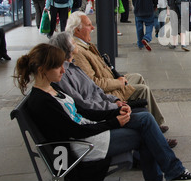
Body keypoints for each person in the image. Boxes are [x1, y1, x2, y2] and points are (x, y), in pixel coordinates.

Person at [12, 43, 191, 181]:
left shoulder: (52, 89)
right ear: (41, 69)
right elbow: (75, 130)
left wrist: (115, 111)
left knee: (145, 119)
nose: (63, 71)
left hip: (91, 131)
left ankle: (174, 172)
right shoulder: (42, 101)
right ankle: (174, 172)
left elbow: (83, 110)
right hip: (86, 145)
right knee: (145, 133)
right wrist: (115, 122)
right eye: (58, 66)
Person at [49, 31, 178, 148]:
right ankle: (157, 138)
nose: (92, 28)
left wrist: (114, 100)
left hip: (105, 98)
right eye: (88, 25)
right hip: (102, 107)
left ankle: (156, 131)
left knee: (139, 86)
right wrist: (113, 105)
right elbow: (87, 101)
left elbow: (94, 89)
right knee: (143, 104)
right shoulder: (67, 72)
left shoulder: (75, 64)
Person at [65, 11, 168, 131]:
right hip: (108, 90)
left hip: (110, 79)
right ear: (77, 30)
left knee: (137, 77)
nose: (92, 28)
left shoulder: (84, 44)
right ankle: (154, 126)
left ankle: (150, 119)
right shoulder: (78, 52)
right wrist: (118, 83)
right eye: (88, 25)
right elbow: (93, 83)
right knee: (144, 90)